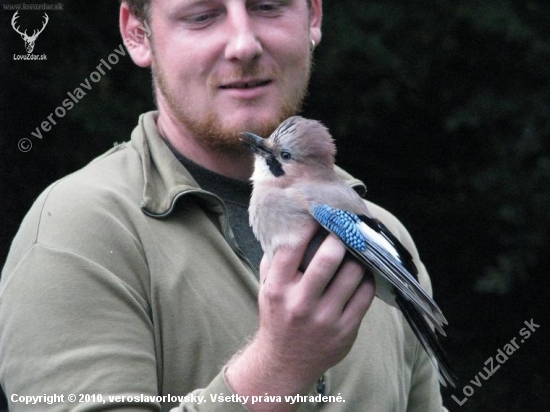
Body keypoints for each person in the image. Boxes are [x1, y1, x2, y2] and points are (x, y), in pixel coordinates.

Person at [0, 0, 448, 410]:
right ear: (138, 34)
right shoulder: (76, 230)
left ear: (313, 15)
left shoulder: (378, 223)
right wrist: (277, 368)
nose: (243, 44)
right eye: (202, 15)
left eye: (267, 6)